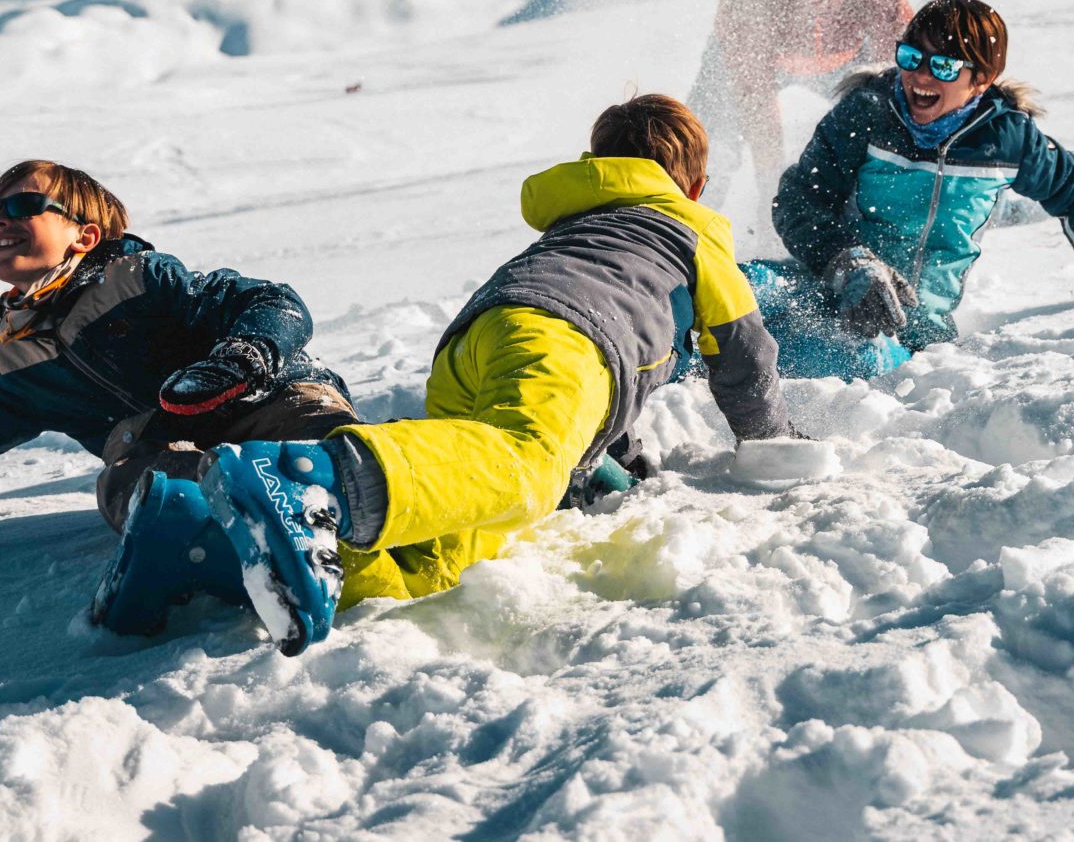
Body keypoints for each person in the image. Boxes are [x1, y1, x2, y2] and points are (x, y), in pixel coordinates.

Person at [179, 95, 792, 653]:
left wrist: (600, 456)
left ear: (597, 165)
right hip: (567, 336)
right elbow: (744, 355)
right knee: (525, 461)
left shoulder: (581, 218)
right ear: (697, 184)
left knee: (461, 524)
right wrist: (774, 441)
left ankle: (260, 550)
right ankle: (312, 477)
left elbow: (590, 391)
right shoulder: (692, 232)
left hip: (479, 339)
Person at [0, 159, 353, 537]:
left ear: (84, 236)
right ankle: (208, 532)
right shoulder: (21, 365)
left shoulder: (138, 280)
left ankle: (368, 479)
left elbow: (270, 301)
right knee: (123, 483)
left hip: (264, 402)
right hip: (171, 454)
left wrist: (243, 358)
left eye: (21, 206)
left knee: (315, 425)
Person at [751, 0, 1074, 382]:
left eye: (943, 66)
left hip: (902, 331)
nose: (919, 75)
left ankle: (713, 376)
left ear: (983, 79)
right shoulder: (868, 113)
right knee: (737, 285)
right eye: (911, 56)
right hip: (823, 282)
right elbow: (797, 200)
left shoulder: (1006, 139)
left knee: (831, 354)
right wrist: (848, 261)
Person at [688, 0, 914, 210]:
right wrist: (772, 188)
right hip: (750, 64)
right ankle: (686, 216)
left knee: (882, 113)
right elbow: (754, 98)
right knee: (707, 138)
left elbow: (906, 64)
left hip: (845, 60)